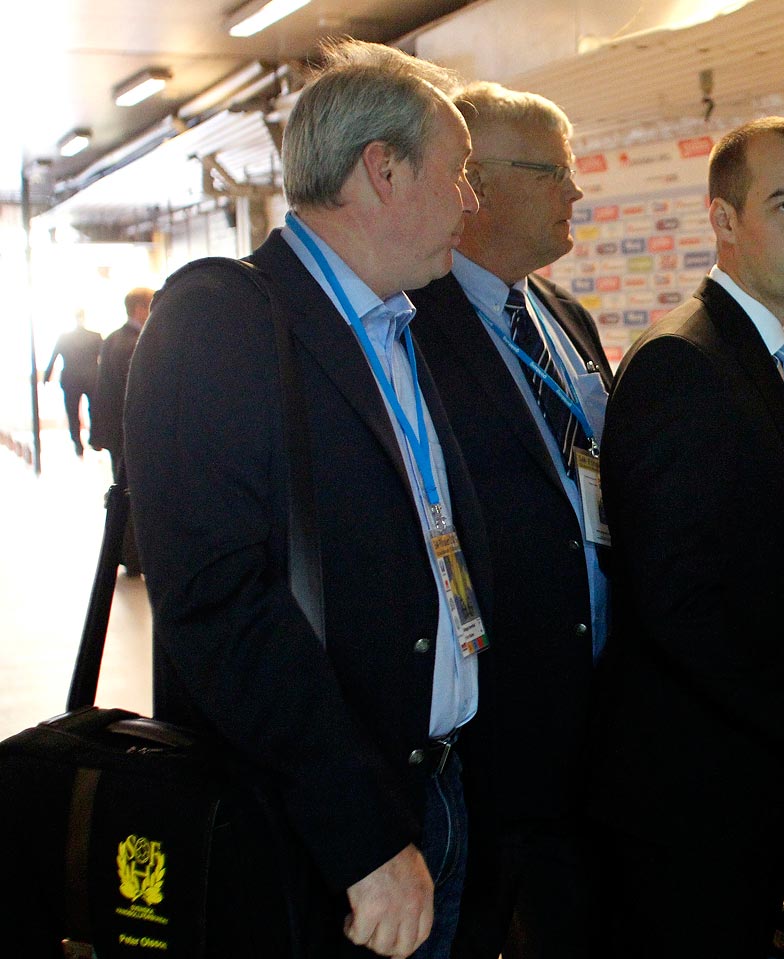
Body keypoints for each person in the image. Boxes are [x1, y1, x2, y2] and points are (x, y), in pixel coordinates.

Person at [125, 38, 490, 959]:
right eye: (459, 174)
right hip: (320, 835)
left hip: (432, 794)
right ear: (384, 170)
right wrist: (362, 835)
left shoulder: (404, 326)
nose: (472, 202)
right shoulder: (222, 321)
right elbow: (221, 604)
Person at [590, 116, 784, 958]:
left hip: (737, 793)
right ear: (723, 220)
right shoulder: (684, 363)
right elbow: (680, 610)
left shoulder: (750, 353)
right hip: (687, 808)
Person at [406, 82, 611, 959]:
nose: (576, 194)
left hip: (596, 719)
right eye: (555, 173)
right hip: (490, 737)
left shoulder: (566, 316)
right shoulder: (413, 328)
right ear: (477, 185)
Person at [92, 287, 151, 574]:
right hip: (129, 433)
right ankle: (132, 556)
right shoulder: (137, 342)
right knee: (133, 494)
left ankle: (126, 555)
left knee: (124, 490)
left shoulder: (115, 338)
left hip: (116, 431)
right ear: (140, 308)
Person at [42, 311, 103, 457]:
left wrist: (47, 375)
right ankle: (94, 439)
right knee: (94, 409)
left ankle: (77, 442)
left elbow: (54, 356)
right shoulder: (94, 336)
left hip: (71, 379)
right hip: (91, 378)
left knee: (72, 411)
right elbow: (104, 357)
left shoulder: (65, 338)